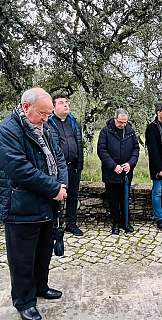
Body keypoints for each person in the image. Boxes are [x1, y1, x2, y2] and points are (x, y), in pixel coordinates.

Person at [0, 88, 68, 320]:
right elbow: (19, 169)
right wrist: (54, 188)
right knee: (22, 258)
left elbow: (58, 157)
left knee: (43, 251)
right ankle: (24, 301)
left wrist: (63, 185)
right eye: (43, 114)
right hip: (21, 205)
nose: (46, 119)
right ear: (26, 107)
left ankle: (40, 286)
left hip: (47, 203)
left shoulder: (45, 127)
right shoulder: (7, 130)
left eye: (49, 114)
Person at [97, 108, 140, 235]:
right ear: (115, 119)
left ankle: (125, 222)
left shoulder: (130, 132)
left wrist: (130, 164)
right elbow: (102, 150)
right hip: (111, 172)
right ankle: (115, 222)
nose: (123, 125)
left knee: (125, 198)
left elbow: (136, 149)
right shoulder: (105, 131)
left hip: (126, 173)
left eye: (125, 122)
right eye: (120, 122)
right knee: (113, 199)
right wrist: (113, 166)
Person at [48, 94, 84, 236]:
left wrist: (79, 163)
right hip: (56, 168)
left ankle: (71, 223)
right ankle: (55, 224)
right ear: (53, 107)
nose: (65, 105)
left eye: (66, 103)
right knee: (55, 195)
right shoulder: (48, 123)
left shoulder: (74, 122)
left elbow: (79, 145)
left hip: (73, 166)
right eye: (61, 103)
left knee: (73, 195)